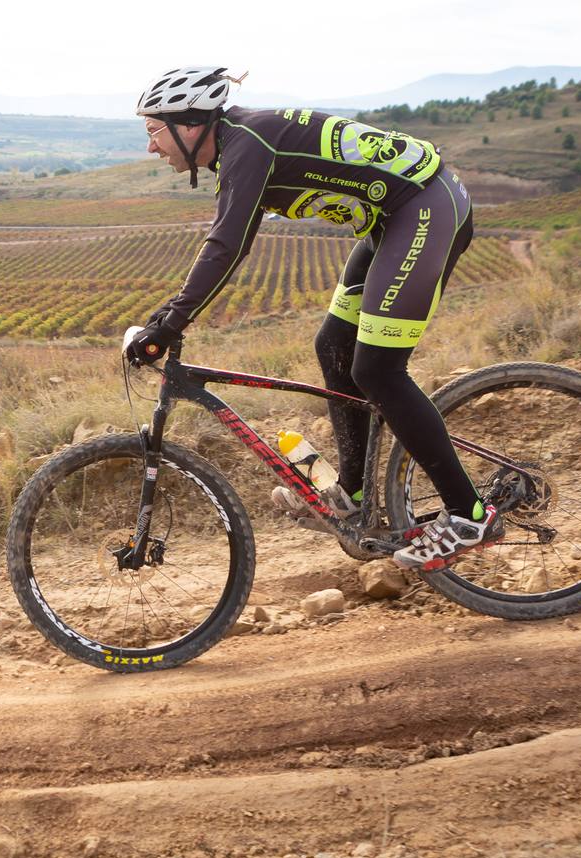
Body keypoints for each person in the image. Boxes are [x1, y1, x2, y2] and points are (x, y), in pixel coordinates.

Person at [123, 66, 498, 571]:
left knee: (378, 370)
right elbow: (229, 241)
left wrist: (171, 324)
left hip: (426, 209)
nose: (151, 146)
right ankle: (353, 491)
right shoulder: (240, 144)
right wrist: (168, 314)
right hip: (393, 221)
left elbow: (227, 245)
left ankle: (467, 515)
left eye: (154, 130)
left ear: (190, 124)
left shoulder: (247, 146)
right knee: (334, 346)